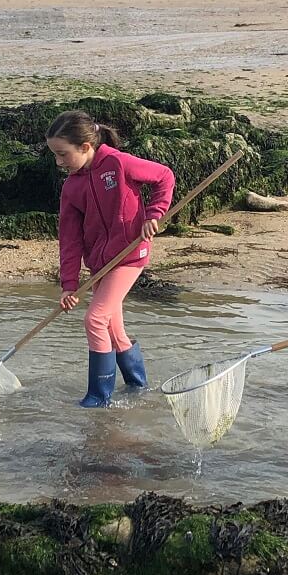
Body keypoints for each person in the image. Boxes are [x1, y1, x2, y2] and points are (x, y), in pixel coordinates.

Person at [47, 110, 175, 406]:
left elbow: (164, 177)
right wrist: (68, 284)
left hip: (129, 255)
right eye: (55, 154)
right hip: (99, 264)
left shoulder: (118, 163)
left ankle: (98, 397)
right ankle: (137, 386)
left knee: (95, 320)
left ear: (85, 147)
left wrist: (154, 215)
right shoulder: (71, 187)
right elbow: (69, 239)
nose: (58, 162)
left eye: (63, 154)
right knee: (112, 328)